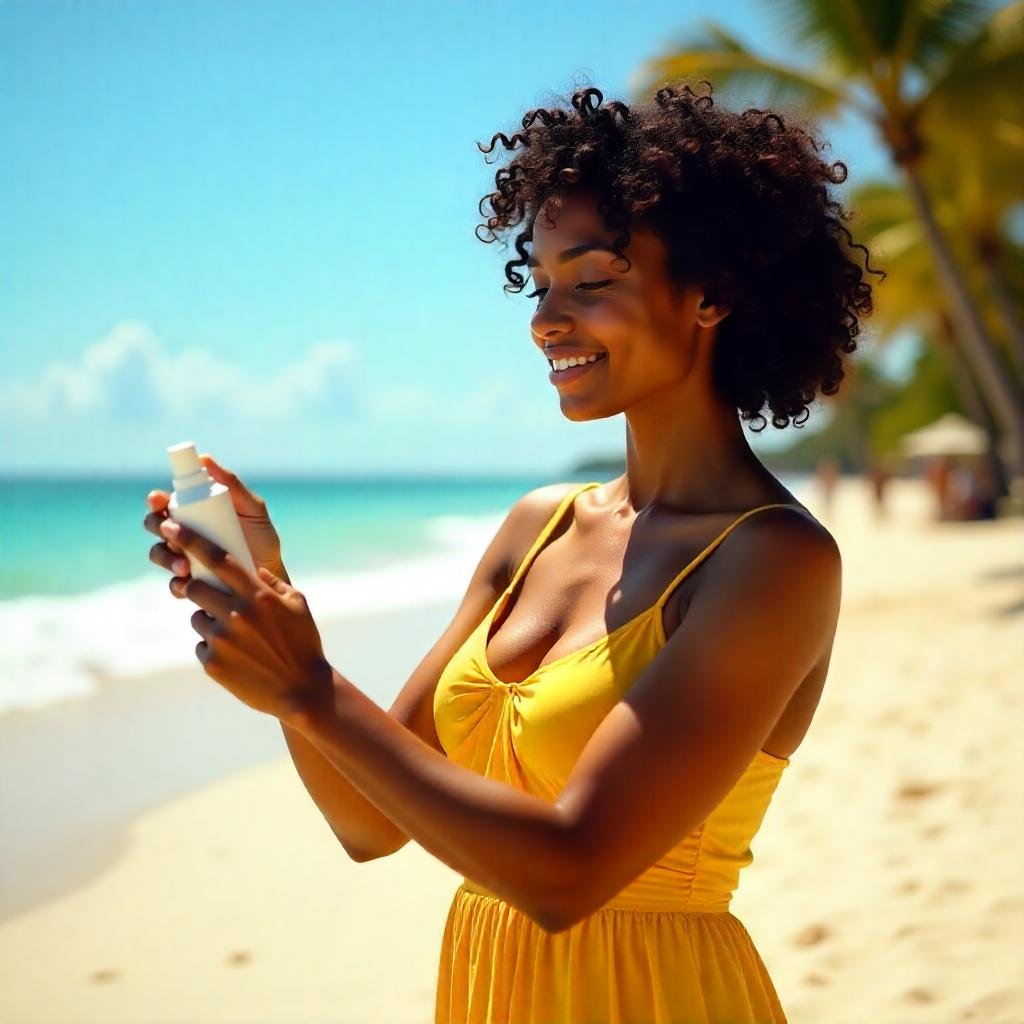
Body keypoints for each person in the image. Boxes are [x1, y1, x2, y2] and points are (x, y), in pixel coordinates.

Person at [144, 82, 876, 1023]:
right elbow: (368, 823)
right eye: (541, 285)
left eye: (594, 279)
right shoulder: (540, 527)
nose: (546, 319)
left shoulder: (774, 562)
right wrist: (272, 599)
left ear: (712, 295)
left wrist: (309, 690)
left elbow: (571, 874)